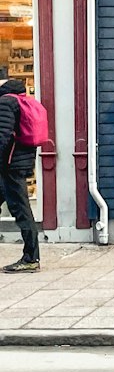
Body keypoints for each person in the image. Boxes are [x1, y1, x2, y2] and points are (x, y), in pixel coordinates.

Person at [0, 78, 41, 274]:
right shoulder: (24, 102)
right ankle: (30, 257)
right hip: (18, 163)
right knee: (19, 207)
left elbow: (3, 135)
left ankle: (31, 258)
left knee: (21, 210)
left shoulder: (6, 103)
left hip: (9, 166)